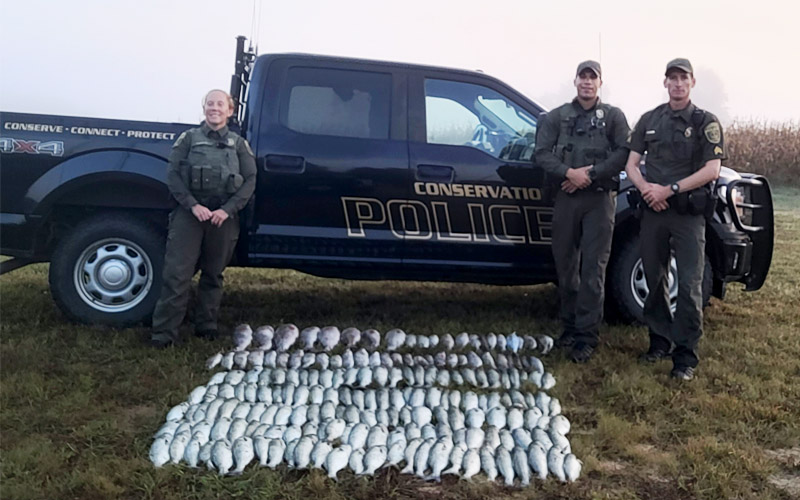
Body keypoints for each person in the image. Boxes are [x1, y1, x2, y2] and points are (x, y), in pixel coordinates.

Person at [624, 58, 724, 380]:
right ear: (665, 82)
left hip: (686, 215)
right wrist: (646, 190)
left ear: (692, 82)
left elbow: (712, 170)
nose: (678, 84)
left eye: (683, 78)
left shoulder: (705, 121)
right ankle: (659, 342)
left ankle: (685, 357)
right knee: (655, 280)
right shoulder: (649, 119)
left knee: (690, 286)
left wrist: (670, 190)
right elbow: (631, 164)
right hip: (653, 211)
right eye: (673, 78)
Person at [535, 60, 630, 363]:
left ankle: (587, 337)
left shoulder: (613, 117)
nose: (587, 82)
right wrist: (568, 173)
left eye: (593, 78)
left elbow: (624, 153)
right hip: (566, 197)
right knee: (566, 266)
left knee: (593, 270)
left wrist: (590, 174)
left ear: (600, 83)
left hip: (599, 201)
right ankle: (569, 327)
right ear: (575, 81)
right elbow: (541, 153)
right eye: (583, 77)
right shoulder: (557, 116)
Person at [150, 89, 257, 347]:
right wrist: (192, 205)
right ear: (204, 108)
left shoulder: (239, 144)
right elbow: (173, 175)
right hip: (190, 215)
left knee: (213, 274)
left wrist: (227, 209)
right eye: (210, 103)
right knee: (177, 275)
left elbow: (250, 180)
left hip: (222, 217)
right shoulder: (188, 139)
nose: (214, 108)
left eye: (220, 104)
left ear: (229, 111)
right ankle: (164, 334)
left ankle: (206, 325)